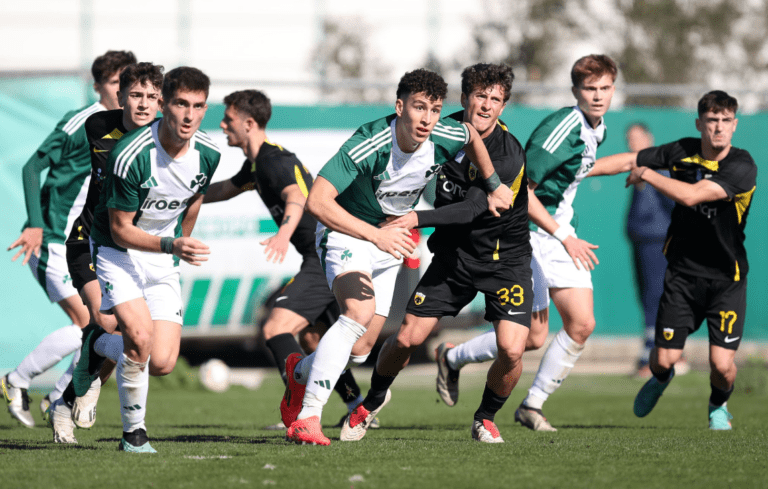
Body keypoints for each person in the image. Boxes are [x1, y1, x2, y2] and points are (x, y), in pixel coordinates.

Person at [280, 68, 515, 445]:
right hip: (348, 231)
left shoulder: (444, 132)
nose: (427, 119)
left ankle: (298, 373)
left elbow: (471, 135)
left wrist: (493, 183)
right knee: (355, 314)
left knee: (358, 349)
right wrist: (376, 234)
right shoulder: (369, 142)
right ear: (400, 106)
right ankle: (307, 418)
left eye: (435, 109)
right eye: (419, 107)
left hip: (389, 240)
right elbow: (318, 201)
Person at [434, 55, 632, 432]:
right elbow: (522, 191)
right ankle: (453, 356)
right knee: (534, 336)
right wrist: (563, 236)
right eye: (590, 88)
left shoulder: (596, 128)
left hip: (558, 233)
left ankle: (532, 404)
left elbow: (582, 169)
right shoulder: (562, 129)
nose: (598, 96)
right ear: (575, 91)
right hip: (530, 236)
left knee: (581, 324)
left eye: (605, 88)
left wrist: (637, 165)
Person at [61, 67, 220, 452]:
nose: (188, 115)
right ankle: (134, 435)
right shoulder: (130, 154)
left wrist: (180, 242)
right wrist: (172, 245)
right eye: (181, 103)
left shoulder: (210, 152)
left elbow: (194, 197)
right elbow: (120, 229)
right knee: (140, 336)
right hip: (118, 251)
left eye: (198, 106)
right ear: (167, 105)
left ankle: (99, 341)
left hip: (163, 256)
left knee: (162, 361)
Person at [203, 89, 368, 427]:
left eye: (228, 119)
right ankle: (360, 405)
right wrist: (183, 194)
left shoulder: (272, 160)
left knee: (276, 327)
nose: (222, 125)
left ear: (249, 123)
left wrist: (283, 233)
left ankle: (297, 411)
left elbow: (296, 196)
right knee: (311, 338)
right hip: (321, 255)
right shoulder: (256, 165)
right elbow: (223, 190)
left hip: (323, 256)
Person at [3, 50, 136, 428]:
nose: (123, 91)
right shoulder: (84, 121)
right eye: (115, 83)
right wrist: (34, 223)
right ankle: (17, 379)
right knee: (89, 323)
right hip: (54, 239)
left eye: (128, 83)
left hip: (87, 242)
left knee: (105, 328)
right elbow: (32, 166)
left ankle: (58, 397)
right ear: (97, 87)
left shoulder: (128, 129)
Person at [615, 91, 754, 430]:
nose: (718, 128)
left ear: (734, 125)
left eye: (724, 121)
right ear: (699, 123)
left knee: (721, 365)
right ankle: (660, 379)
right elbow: (626, 161)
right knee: (663, 360)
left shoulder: (741, 165)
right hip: (683, 276)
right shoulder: (680, 152)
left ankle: (718, 406)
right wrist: (580, 173)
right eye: (711, 120)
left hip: (726, 279)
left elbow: (691, 196)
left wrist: (646, 173)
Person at [48, 62, 165, 443]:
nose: (143, 104)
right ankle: (73, 396)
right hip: (89, 242)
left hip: (136, 248)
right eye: (135, 95)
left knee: (150, 351)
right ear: (119, 97)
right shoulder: (98, 127)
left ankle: (70, 394)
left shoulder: (167, 139)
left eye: (151, 97)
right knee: (109, 322)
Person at [624, 123, 675, 377]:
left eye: (637, 138)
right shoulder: (638, 170)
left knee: (656, 296)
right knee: (647, 297)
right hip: (641, 242)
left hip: (657, 242)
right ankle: (656, 352)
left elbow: (676, 203)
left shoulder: (659, 168)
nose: (632, 143)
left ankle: (654, 356)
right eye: (629, 139)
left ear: (649, 138)